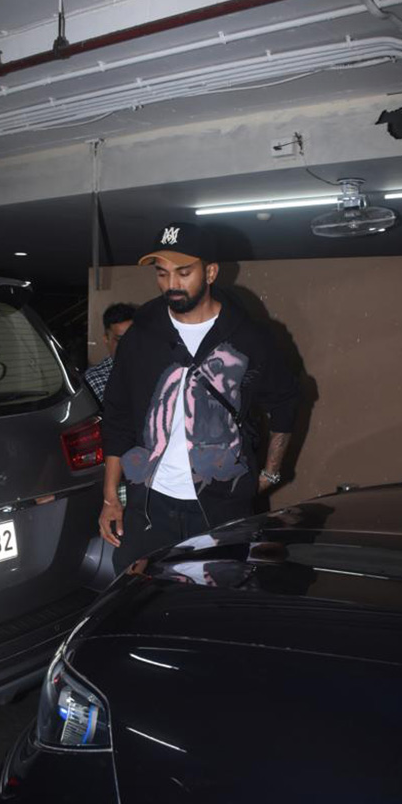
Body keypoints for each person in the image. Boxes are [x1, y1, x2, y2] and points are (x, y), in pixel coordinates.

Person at [99, 221, 299, 573]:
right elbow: (117, 415)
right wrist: (110, 497)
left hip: (223, 504)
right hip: (150, 504)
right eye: (162, 274)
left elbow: (285, 401)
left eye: (183, 272)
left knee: (216, 602)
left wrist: (271, 473)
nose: (171, 285)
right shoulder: (141, 335)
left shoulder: (250, 337)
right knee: (136, 600)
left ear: (210, 272)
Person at [84, 302, 137, 406]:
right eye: (119, 340)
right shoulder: (94, 380)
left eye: (132, 338)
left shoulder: (152, 370)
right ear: (106, 339)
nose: (127, 345)